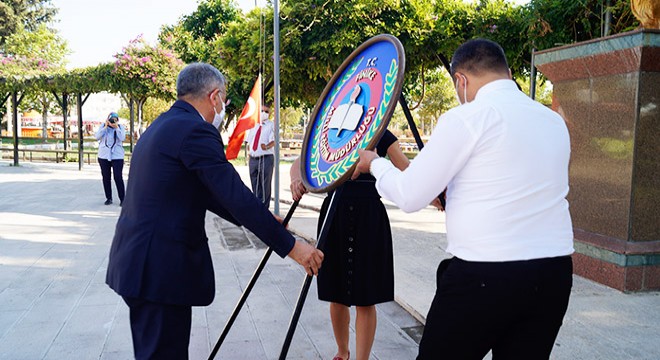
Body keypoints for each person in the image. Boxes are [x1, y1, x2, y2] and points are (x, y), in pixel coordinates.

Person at [353, 38, 574, 359]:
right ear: (507, 73)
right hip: (553, 274)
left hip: (486, 274)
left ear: (461, 80)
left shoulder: (468, 117)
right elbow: (516, 182)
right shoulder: (554, 121)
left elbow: (410, 195)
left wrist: (375, 164)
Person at [105, 63, 324, 360]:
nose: (222, 108)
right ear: (214, 96)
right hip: (158, 271)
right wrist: (292, 247)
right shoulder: (195, 131)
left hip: (141, 264)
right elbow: (233, 193)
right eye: (223, 100)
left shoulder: (164, 124)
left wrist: (261, 219)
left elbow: (208, 192)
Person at [290, 130, 413, 360]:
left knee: (366, 297)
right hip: (334, 214)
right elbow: (300, 162)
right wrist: (296, 179)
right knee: (335, 292)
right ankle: (342, 352)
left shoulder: (380, 129)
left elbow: (407, 169)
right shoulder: (329, 132)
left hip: (369, 216)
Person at [246, 105, 275, 208]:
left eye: (266, 111)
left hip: (266, 158)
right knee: (255, 184)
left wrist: (266, 147)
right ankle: (257, 207)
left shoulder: (271, 125)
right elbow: (249, 140)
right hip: (253, 159)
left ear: (269, 113)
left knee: (265, 185)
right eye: (262, 110)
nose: (263, 113)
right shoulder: (253, 125)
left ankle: (264, 209)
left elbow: (274, 141)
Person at [95, 111, 126, 206]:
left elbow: (122, 138)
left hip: (117, 156)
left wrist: (116, 128)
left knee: (118, 177)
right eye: (111, 120)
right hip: (104, 156)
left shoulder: (120, 127)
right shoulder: (103, 126)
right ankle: (108, 198)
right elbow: (97, 137)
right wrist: (105, 127)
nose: (113, 122)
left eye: (115, 120)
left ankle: (123, 199)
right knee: (106, 177)